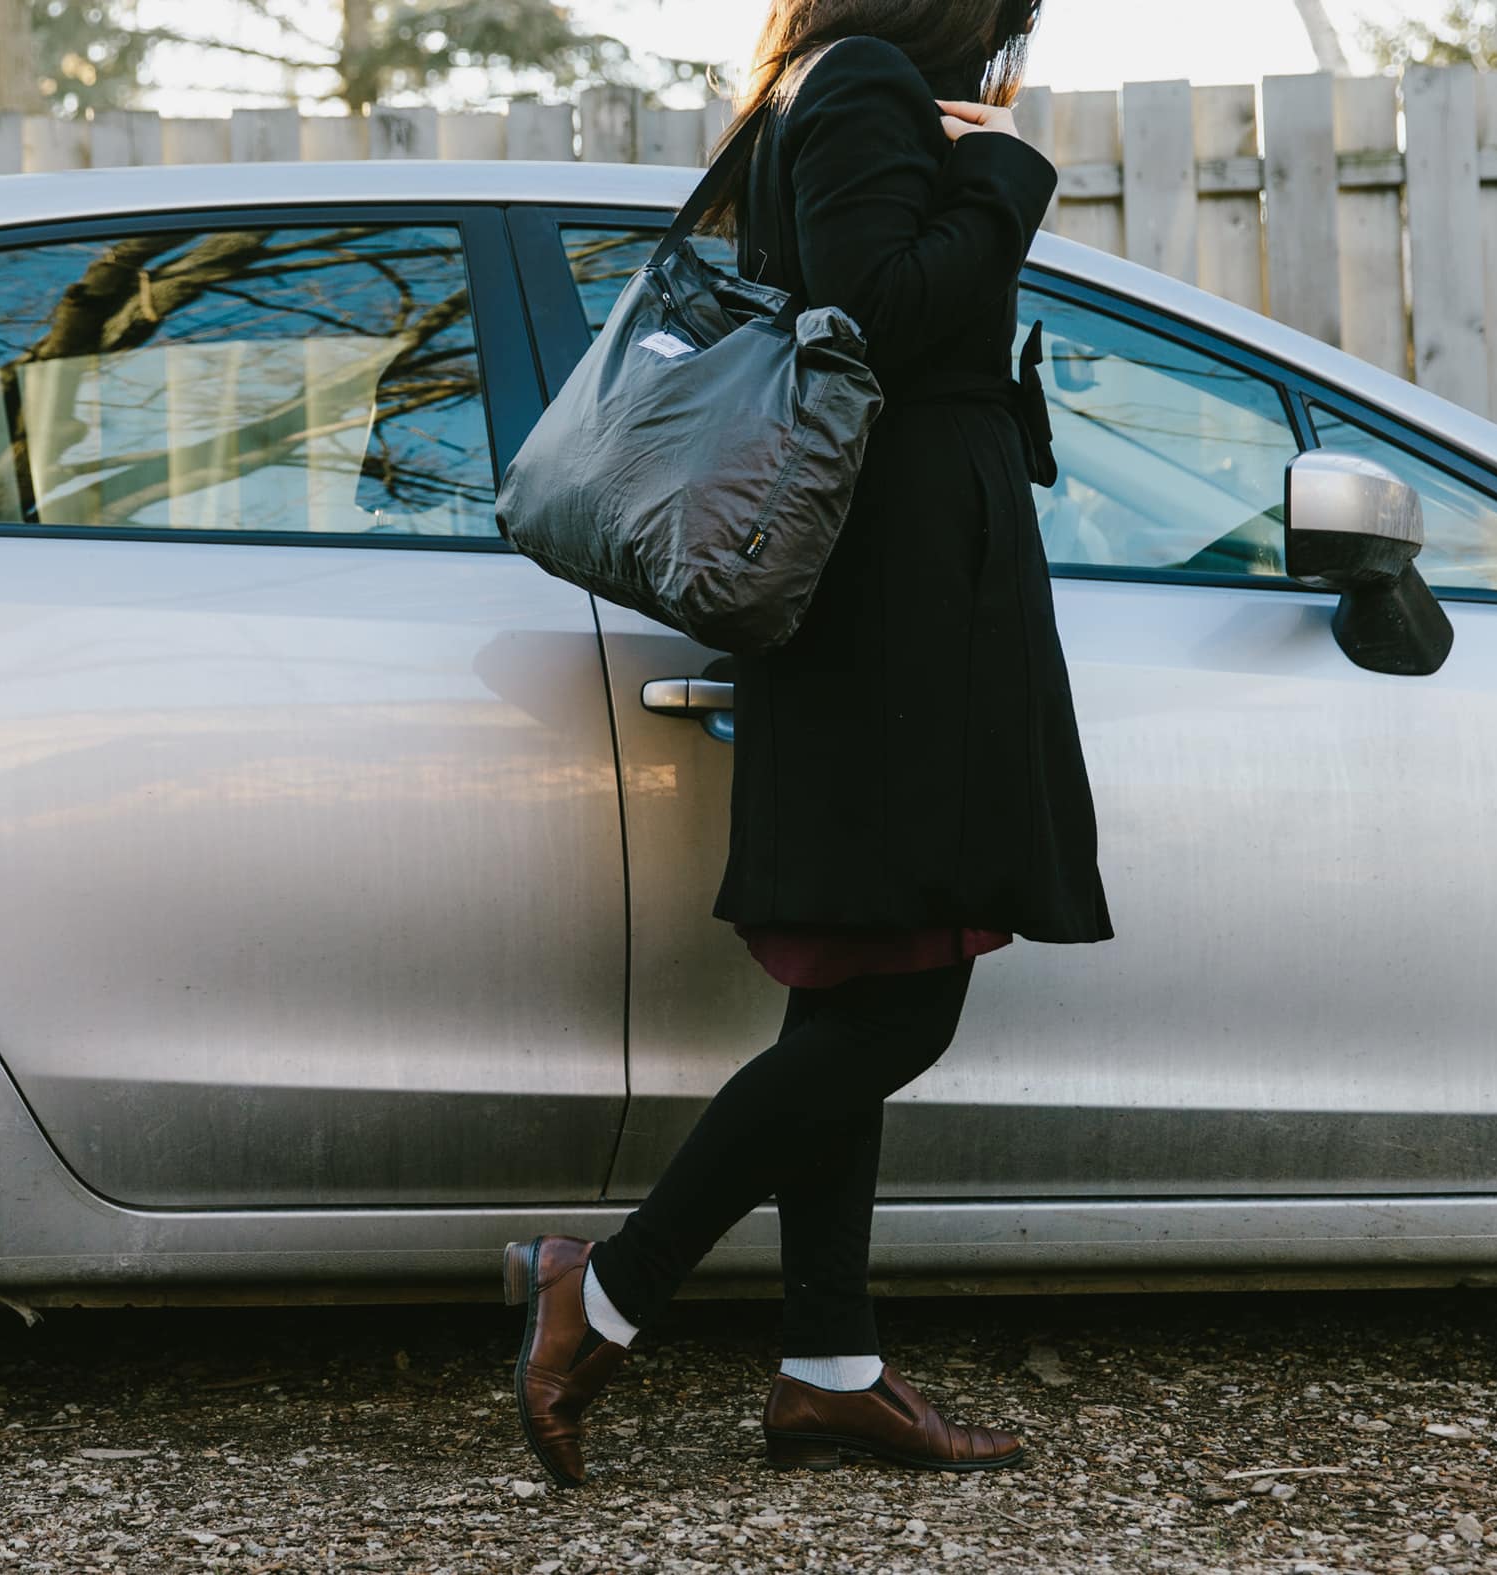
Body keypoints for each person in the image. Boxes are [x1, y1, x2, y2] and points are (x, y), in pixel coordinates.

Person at [503, 0, 1112, 1488]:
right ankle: (611, 1292)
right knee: (901, 1006)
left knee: (866, 980)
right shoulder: (857, 94)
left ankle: (829, 1372)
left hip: (907, 585)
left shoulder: (844, 93)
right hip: (895, 606)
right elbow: (876, 309)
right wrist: (1010, 177)